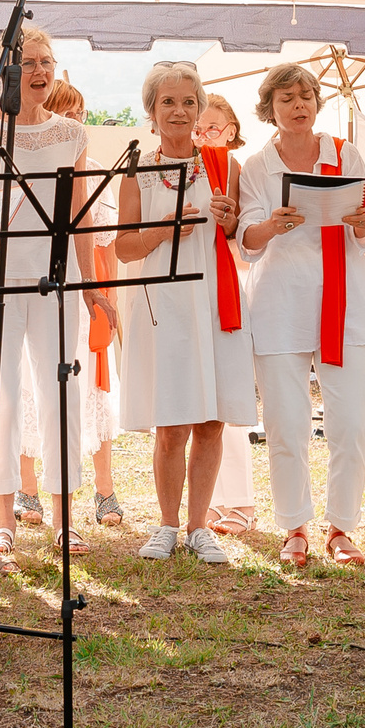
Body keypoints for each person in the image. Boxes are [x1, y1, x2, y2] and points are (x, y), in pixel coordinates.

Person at [236, 63, 365, 568]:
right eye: (286, 99)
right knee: (286, 423)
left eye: (305, 97)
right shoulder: (257, 166)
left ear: (317, 103)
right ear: (270, 109)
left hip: (345, 304)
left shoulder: (347, 154)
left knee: (348, 423)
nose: (298, 105)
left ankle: (341, 528)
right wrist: (272, 226)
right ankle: (294, 525)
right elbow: (246, 244)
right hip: (279, 305)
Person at [0, 27, 94, 562]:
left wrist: (94, 289)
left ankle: (65, 519)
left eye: (47, 62)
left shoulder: (73, 134)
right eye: (28, 63)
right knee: (3, 394)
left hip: (57, 278)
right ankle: (2, 522)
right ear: (7, 74)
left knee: (59, 390)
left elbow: (80, 214)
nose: (40, 71)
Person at [115, 60, 255, 562]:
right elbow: (124, 248)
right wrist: (169, 227)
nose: (179, 111)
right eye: (168, 102)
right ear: (152, 111)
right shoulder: (136, 170)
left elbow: (240, 235)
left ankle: (201, 526)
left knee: (212, 420)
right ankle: (168, 524)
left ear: (200, 109)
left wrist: (233, 219)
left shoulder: (224, 165)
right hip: (165, 306)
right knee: (171, 422)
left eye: (188, 102)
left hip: (217, 299)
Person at [30, 75, 121, 529]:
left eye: (80, 115)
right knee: (35, 388)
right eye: (66, 114)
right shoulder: (31, 160)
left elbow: (105, 245)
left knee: (91, 389)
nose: (74, 123)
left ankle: (104, 490)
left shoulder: (96, 170)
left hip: (85, 289)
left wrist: (106, 296)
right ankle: (29, 491)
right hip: (38, 283)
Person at [196, 93, 262, 537]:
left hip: (227, 283)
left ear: (232, 131)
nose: (204, 136)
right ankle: (211, 499)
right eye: (200, 130)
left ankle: (239, 498)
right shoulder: (182, 166)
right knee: (198, 397)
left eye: (213, 129)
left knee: (226, 394)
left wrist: (230, 220)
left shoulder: (238, 170)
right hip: (192, 285)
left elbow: (242, 237)